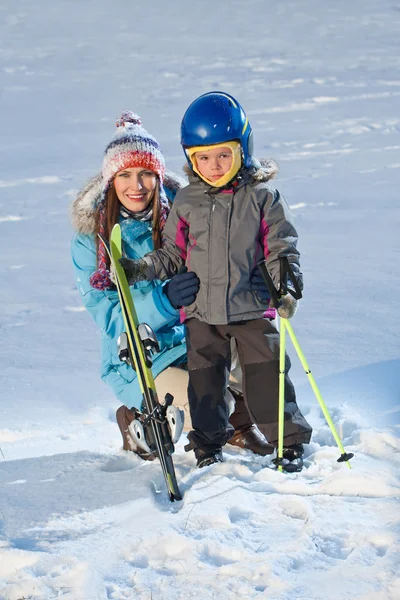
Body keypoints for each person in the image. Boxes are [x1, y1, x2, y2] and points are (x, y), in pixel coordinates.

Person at [119, 92, 313, 469]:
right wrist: (140, 268)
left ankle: (287, 441)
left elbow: (281, 248)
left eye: (223, 154)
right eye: (202, 157)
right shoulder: (188, 201)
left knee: (268, 377)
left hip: (252, 308)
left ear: (243, 148)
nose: (213, 165)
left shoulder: (263, 197)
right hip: (202, 315)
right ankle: (208, 444)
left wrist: (285, 285)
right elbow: (172, 254)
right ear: (191, 158)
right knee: (205, 386)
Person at [70, 110, 273, 460]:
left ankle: (238, 422)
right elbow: (109, 319)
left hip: (197, 334)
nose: (137, 186)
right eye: (126, 175)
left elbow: (228, 256)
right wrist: (162, 301)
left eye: (147, 173)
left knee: (264, 357)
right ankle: (137, 418)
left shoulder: (186, 213)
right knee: (207, 406)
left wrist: (261, 281)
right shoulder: (91, 241)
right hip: (141, 358)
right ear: (110, 180)